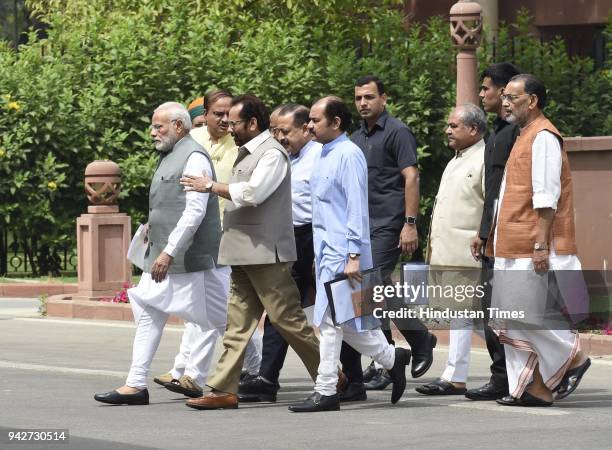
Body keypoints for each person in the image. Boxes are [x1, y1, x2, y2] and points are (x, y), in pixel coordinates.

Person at [181, 94, 320, 410]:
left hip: (264, 253)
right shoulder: (248, 152)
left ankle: (328, 374)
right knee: (237, 324)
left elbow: (253, 194)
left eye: (234, 123)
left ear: (252, 123)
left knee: (288, 320)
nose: (229, 128)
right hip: (243, 252)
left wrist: (211, 186)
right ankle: (222, 389)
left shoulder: (272, 154)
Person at [94, 102, 229, 405]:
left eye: (159, 127)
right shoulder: (170, 155)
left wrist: (168, 252)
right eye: (153, 126)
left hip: (193, 260)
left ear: (179, 126)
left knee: (226, 323)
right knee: (148, 308)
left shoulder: (193, 157)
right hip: (167, 257)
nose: (152, 132)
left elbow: (194, 212)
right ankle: (135, 383)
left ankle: (256, 372)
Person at [288, 96, 410, 413]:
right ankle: (391, 357)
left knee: (329, 323)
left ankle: (326, 389)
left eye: (315, 120)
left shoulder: (349, 154)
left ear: (336, 122)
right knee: (347, 324)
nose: (309, 126)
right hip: (327, 253)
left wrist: (354, 253)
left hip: (346, 254)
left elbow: (357, 207)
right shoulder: (323, 155)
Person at [485, 74, 590, 407]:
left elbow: (547, 198)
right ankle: (537, 388)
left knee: (524, 314)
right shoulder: (522, 134)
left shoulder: (543, 136)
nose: (505, 102)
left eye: (512, 97)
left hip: (530, 244)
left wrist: (541, 246)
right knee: (512, 316)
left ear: (532, 101)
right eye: (504, 97)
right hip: (512, 243)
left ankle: (573, 357)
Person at [154, 91, 262, 396]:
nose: (225, 120)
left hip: (234, 234)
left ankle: (205, 372)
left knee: (222, 309)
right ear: (206, 113)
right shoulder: (192, 140)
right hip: (199, 237)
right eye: (218, 114)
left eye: (230, 115)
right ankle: (189, 371)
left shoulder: (242, 145)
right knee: (213, 309)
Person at [341, 75, 437, 397]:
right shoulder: (354, 138)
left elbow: (411, 177)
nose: (363, 103)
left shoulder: (397, 132)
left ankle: (419, 339)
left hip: (389, 222)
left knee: (376, 284)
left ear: (384, 98)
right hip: (362, 226)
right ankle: (386, 360)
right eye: (358, 98)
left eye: (369, 97)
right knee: (368, 291)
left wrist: (410, 223)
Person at [238, 103, 322, 402]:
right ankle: (267, 378)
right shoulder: (276, 156)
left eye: (285, 131)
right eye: (274, 130)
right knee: (280, 310)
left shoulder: (320, 157)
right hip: (287, 237)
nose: (279, 136)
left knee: (337, 313)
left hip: (314, 237)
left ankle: (384, 361)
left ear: (305, 130)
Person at [415, 104, 487, 396]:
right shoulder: (456, 159)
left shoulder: (484, 158)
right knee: (473, 317)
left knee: (464, 315)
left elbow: (489, 206)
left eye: (454, 126)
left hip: (467, 251)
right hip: (446, 251)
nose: (447, 130)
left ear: (473, 129)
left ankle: (455, 376)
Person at [465, 62, 521, 401]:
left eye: (486, 88)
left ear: (503, 91)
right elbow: (492, 192)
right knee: (489, 311)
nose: (481, 93)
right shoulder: (498, 132)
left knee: (506, 310)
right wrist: (483, 231)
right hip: (493, 234)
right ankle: (502, 376)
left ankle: (515, 377)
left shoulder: (518, 132)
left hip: (512, 236)